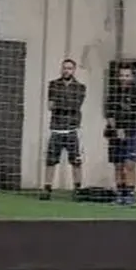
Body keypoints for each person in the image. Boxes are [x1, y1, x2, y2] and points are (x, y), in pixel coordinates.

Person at [40, 58, 86, 201]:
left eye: (69, 68)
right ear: (61, 69)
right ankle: (47, 188)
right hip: (56, 129)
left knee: (76, 161)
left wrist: (60, 103)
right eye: (65, 68)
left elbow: (75, 105)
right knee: (50, 160)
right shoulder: (53, 84)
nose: (67, 70)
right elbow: (50, 106)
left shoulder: (80, 87)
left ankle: (77, 188)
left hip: (72, 129)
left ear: (74, 70)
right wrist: (65, 104)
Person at [104, 65, 136, 206]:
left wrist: (126, 130)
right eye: (121, 75)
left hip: (132, 133)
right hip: (116, 134)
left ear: (132, 77)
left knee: (130, 164)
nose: (124, 78)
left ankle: (130, 194)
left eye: (127, 75)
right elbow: (109, 115)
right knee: (118, 165)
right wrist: (116, 129)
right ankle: (120, 194)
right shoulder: (113, 94)